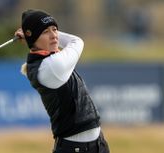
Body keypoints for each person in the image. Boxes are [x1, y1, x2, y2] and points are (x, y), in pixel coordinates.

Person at [15, 9, 110, 153]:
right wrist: (30, 36)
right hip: (74, 149)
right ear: (32, 39)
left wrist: (34, 35)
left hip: (98, 144)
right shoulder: (51, 67)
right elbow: (76, 41)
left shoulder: (48, 59)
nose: (54, 36)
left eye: (55, 29)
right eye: (45, 32)